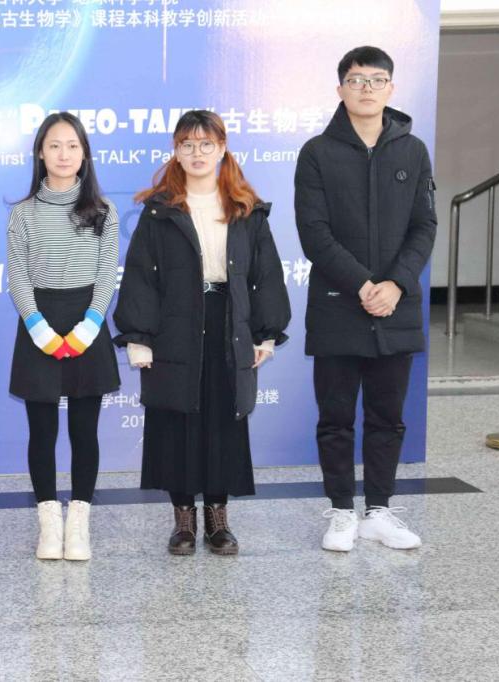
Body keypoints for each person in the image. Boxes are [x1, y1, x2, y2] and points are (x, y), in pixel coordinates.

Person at [114, 110, 290, 556]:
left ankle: (217, 519)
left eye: (206, 144)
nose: (197, 153)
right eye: (187, 144)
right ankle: (183, 522)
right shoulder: (160, 210)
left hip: (230, 322)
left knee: (223, 422)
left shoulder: (246, 208)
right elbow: (140, 276)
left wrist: (266, 333)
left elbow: (266, 275)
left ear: (222, 149)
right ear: (176, 151)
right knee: (177, 420)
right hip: (175, 325)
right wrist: (138, 336)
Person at [295, 46, 437, 552]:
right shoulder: (317, 152)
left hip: (396, 306)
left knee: (387, 416)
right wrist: (362, 284)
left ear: (391, 89)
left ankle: (378, 511)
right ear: (341, 89)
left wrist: (395, 284)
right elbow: (314, 233)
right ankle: (340, 511)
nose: (367, 89)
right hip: (339, 303)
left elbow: (424, 226)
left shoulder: (412, 151)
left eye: (377, 80)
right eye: (356, 80)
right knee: (335, 418)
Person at [6, 112, 121, 561]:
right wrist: (39, 328)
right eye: (54, 145)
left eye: (73, 145)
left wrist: (89, 326)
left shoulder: (103, 211)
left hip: (86, 321)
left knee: (84, 432)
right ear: (40, 152)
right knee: (42, 432)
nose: (63, 154)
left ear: (84, 153)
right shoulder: (23, 213)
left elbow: (106, 275)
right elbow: (18, 276)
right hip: (39, 322)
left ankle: (79, 525)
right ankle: (49, 525)